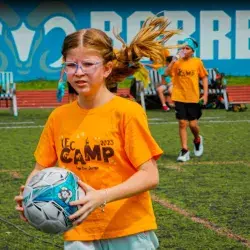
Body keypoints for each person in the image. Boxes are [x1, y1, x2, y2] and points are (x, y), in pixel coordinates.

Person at [15, 16, 180, 250]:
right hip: (78, 232)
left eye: (88, 64)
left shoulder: (127, 112)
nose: (79, 72)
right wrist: (29, 197)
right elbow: (40, 168)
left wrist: (101, 196)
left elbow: (150, 175)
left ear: (107, 68)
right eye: (71, 65)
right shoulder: (58, 117)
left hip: (128, 231)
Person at [165, 37, 208, 162]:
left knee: (193, 124)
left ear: (192, 51)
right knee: (182, 123)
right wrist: (172, 62)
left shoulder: (197, 62)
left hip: (193, 97)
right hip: (179, 96)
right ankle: (184, 150)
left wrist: (205, 95)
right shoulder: (176, 62)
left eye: (187, 48)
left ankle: (197, 139)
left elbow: (204, 78)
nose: (184, 50)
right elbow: (166, 73)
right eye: (182, 48)